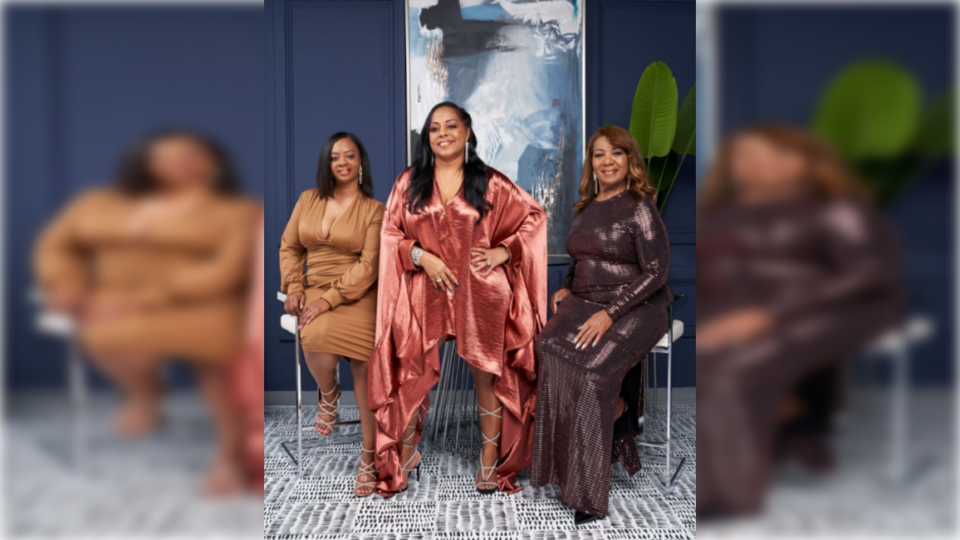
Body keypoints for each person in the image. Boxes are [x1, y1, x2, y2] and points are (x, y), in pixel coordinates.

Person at [33, 130, 262, 494]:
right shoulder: (99, 202)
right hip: (109, 300)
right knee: (102, 336)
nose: (177, 163)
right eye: (163, 157)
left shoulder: (238, 212)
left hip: (204, 302)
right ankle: (146, 392)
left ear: (213, 161)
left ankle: (231, 453)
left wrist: (144, 299)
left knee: (218, 355)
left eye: (190, 154)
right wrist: (66, 286)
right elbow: (56, 245)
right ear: (147, 164)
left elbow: (226, 271)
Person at [696, 125, 902, 516]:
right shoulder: (721, 215)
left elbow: (869, 273)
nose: (763, 163)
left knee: (736, 367)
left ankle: (725, 494)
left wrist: (769, 314)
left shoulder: (835, 210)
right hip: (742, 312)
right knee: (706, 356)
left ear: (805, 161)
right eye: (747, 154)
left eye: (778, 153)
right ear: (732, 165)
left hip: (837, 308)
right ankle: (795, 425)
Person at [368, 101, 547, 496]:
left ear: (467, 132)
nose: (443, 133)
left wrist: (504, 251)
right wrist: (422, 257)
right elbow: (391, 233)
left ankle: (490, 455)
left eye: (451, 126)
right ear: (427, 138)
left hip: (480, 289)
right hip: (424, 289)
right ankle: (407, 450)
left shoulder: (490, 182)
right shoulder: (408, 182)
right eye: (434, 128)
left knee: (486, 369)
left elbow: (534, 217)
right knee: (413, 363)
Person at [531, 126, 672, 524]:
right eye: (599, 154)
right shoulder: (585, 208)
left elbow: (657, 272)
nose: (607, 160)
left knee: (592, 373)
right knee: (547, 347)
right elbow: (579, 258)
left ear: (630, 160)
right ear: (591, 164)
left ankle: (587, 494)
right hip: (586, 301)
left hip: (638, 305)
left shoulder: (640, 206)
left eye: (617, 153)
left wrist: (611, 313)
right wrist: (566, 286)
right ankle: (615, 412)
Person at [279, 132, 385, 497]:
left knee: (365, 367)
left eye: (349, 156)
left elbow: (369, 266)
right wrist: (295, 286)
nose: (342, 162)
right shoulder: (307, 199)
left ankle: (369, 456)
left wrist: (329, 300)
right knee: (315, 335)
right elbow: (290, 247)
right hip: (313, 288)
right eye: (335, 156)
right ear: (327, 163)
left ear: (360, 163)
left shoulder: (374, 209)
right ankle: (329, 393)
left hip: (358, 294)